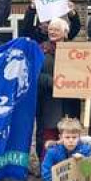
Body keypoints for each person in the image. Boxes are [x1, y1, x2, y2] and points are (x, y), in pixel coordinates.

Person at [30, 17, 80, 159]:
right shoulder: (41, 50)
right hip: (48, 101)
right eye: (51, 29)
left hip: (69, 100)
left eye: (57, 29)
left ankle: (69, 164)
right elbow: (35, 74)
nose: (53, 32)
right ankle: (47, 164)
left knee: (70, 132)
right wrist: (52, 82)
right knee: (48, 133)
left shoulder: (76, 51)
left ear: (65, 33)